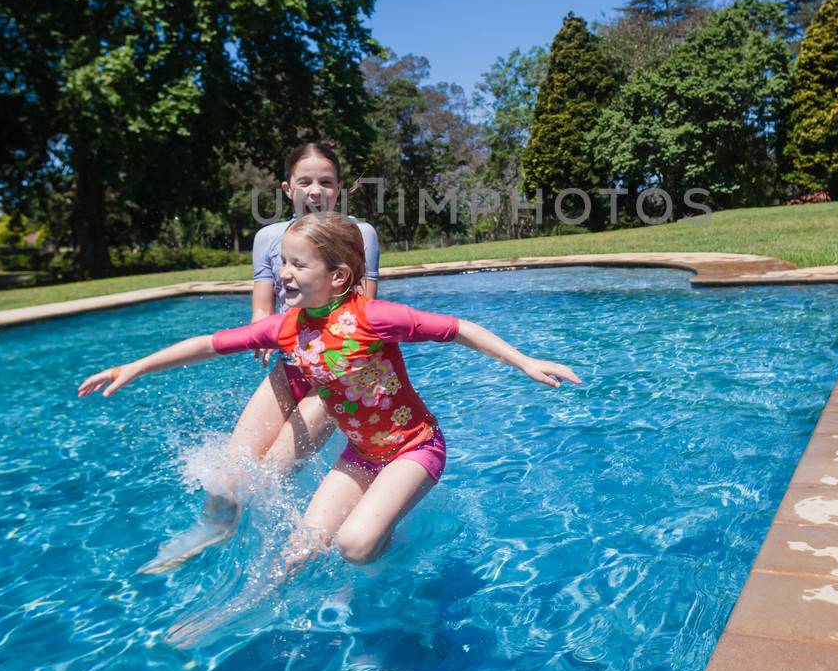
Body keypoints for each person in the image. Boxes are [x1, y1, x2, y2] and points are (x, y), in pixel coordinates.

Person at [78, 211, 580, 583]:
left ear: (337, 276)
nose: (284, 274)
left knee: (354, 545)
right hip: (362, 455)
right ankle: (249, 609)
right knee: (299, 551)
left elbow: (457, 328)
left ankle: (384, 568)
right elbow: (211, 344)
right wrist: (138, 366)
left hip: (413, 448)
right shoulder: (287, 328)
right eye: (282, 264)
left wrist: (524, 362)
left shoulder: (371, 318)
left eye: (298, 264)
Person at [136, 142, 382, 573]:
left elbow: (366, 313)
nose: (315, 190)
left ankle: (279, 553)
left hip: (338, 378)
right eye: (305, 181)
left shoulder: (357, 234)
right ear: (288, 188)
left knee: (271, 472)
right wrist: (263, 335)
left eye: (326, 182)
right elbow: (261, 313)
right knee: (230, 472)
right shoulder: (269, 239)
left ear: (339, 189)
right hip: (291, 366)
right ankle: (214, 529)